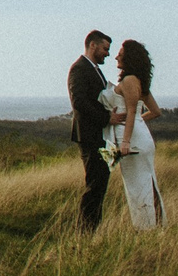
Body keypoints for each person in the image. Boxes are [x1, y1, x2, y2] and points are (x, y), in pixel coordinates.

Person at [103, 38, 167, 229]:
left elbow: (132, 111)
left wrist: (125, 142)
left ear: (129, 58)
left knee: (139, 186)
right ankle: (155, 225)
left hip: (133, 140)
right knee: (147, 182)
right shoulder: (139, 81)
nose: (116, 57)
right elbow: (155, 112)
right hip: (139, 136)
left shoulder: (129, 80)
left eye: (120, 55)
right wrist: (138, 122)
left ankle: (146, 227)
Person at [67, 30, 113, 230]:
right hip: (89, 136)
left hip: (101, 136)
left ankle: (93, 228)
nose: (107, 54)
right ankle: (85, 231)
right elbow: (79, 102)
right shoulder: (79, 68)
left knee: (101, 184)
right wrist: (107, 117)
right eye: (105, 49)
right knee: (94, 185)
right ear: (92, 45)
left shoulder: (94, 69)